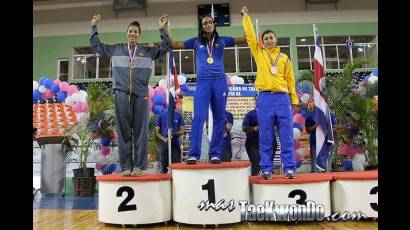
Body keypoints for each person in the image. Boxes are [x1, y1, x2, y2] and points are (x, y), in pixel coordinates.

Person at [90, 14, 170, 176]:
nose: (133, 34)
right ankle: (127, 167)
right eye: (130, 31)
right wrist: (94, 26)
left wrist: (162, 29)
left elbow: (165, 46)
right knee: (123, 132)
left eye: (135, 32)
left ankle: (139, 167)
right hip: (121, 94)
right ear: (127, 33)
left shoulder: (147, 51)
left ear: (139, 34)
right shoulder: (116, 48)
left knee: (141, 132)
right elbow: (97, 46)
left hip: (141, 95)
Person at [165, 15, 246, 164]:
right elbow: (174, 44)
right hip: (203, 82)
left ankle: (215, 153)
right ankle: (194, 154)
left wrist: (245, 19)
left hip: (219, 81)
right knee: (199, 117)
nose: (208, 24)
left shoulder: (223, 40)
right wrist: (166, 27)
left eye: (210, 22)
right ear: (201, 27)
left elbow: (245, 38)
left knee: (219, 118)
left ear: (214, 24)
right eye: (205, 23)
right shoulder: (196, 42)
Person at [241, 7, 299, 179]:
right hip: (265, 98)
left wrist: (294, 99)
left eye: (271, 38)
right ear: (263, 41)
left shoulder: (284, 58)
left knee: (286, 135)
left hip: (282, 98)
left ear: (276, 40)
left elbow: (290, 80)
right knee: (265, 135)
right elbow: (251, 37)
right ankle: (266, 168)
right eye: (265, 38)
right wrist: (246, 18)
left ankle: (289, 168)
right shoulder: (259, 53)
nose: (268, 40)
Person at [242, 95, 277, 176]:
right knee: (256, 165)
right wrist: (255, 128)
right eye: (257, 100)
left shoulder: (272, 114)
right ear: (255, 101)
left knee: (268, 165)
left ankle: (268, 182)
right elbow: (244, 128)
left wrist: (271, 127)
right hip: (253, 144)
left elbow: (278, 126)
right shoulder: (250, 114)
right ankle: (255, 185)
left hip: (270, 143)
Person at [155, 109, 185, 173]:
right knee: (163, 164)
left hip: (175, 142)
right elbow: (157, 132)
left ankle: (177, 179)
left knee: (176, 164)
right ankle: (164, 178)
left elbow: (182, 131)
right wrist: (165, 139)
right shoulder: (161, 116)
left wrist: (174, 133)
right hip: (164, 143)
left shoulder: (178, 116)